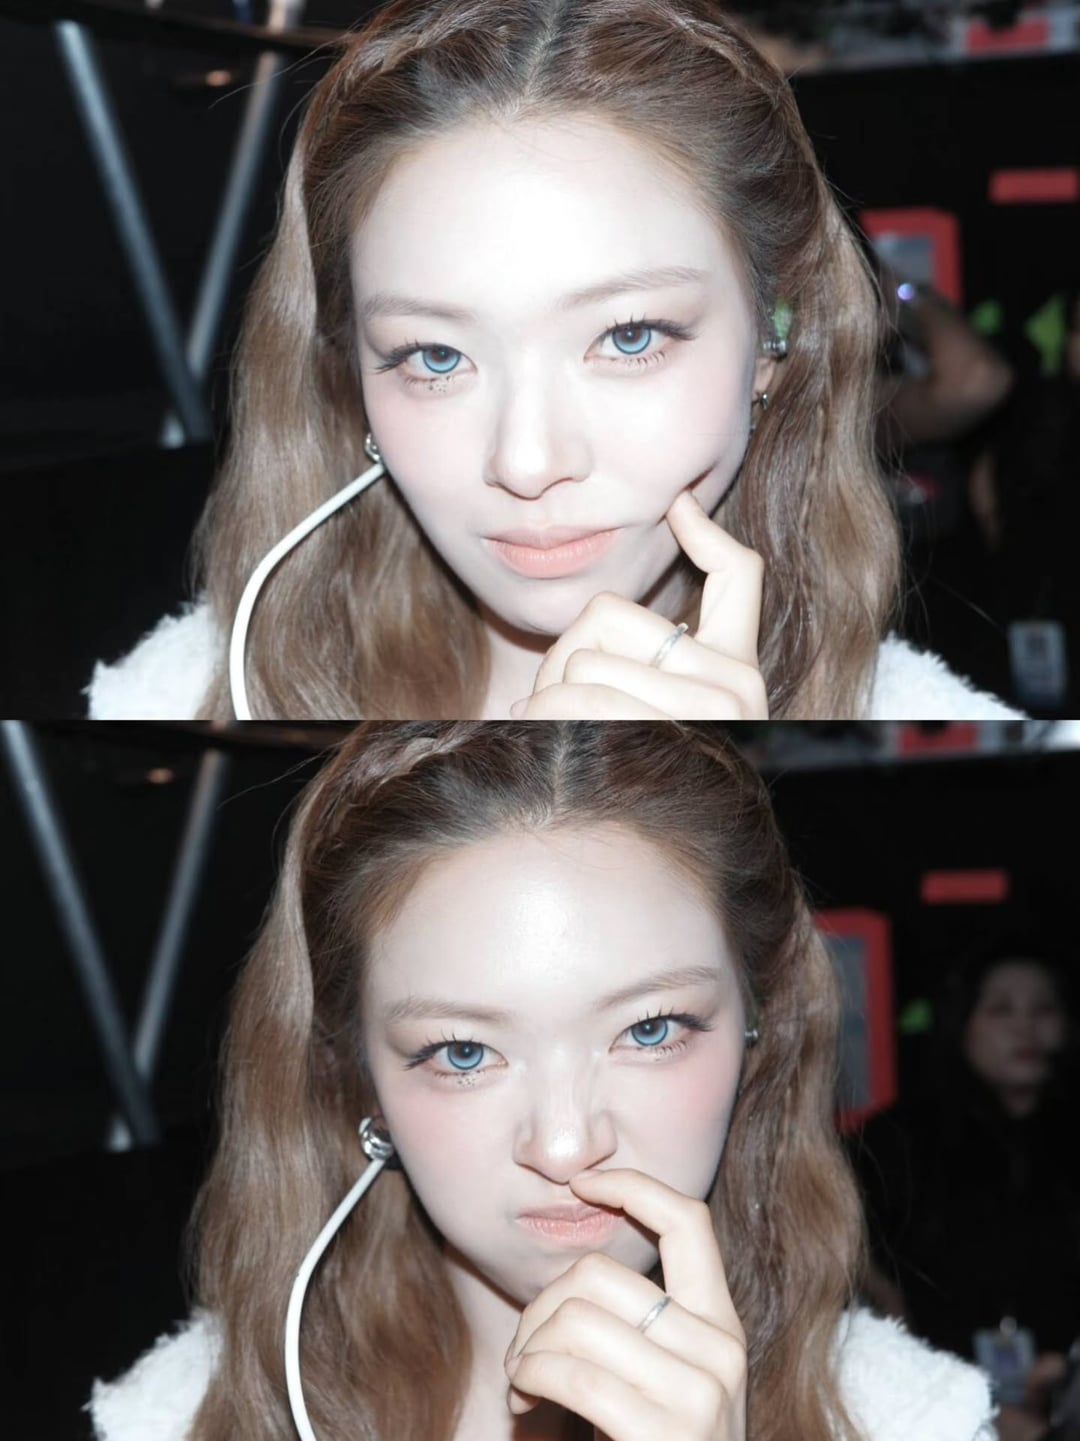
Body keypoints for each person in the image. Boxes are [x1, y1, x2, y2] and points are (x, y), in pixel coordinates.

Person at [85, 0, 1020, 722]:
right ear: (348, 374)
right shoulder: (174, 698)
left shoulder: (927, 715)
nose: (527, 463)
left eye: (629, 337)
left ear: (774, 339)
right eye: (435, 355)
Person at [86, 722, 996, 1441]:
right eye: (463, 1052)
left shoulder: (918, 1420)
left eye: (649, 1029)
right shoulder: (171, 1420)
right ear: (356, 1074)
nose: (564, 1146)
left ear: (758, 1036)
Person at [850, 948, 1080, 1441]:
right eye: (1001, 1009)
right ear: (962, 1023)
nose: (1025, 1027)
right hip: (928, 1404)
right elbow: (835, 1246)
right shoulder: (897, 1142)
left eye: (1044, 1009)